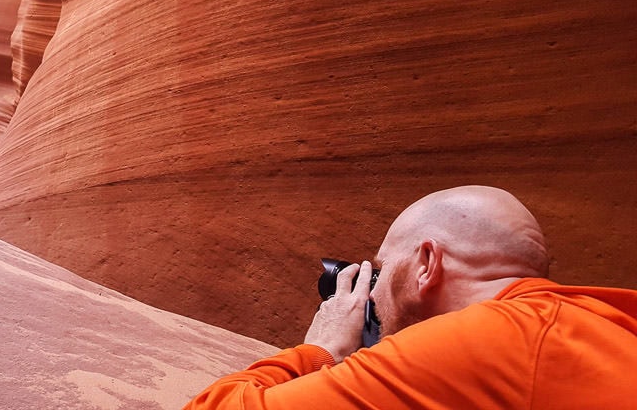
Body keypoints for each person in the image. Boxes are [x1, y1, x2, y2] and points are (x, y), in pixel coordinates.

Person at [184, 185, 637, 409]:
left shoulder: (482, 341)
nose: (373, 288)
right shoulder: (601, 318)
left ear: (427, 263)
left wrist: (317, 348)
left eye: (378, 270)